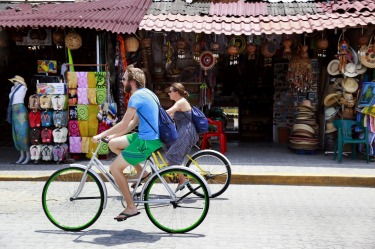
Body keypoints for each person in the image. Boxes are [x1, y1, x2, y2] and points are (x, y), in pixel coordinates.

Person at [92, 65, 163, 221]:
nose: (122, 82)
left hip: (146, 142)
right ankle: (142, 173)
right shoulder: (149, 94)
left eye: (123, 79)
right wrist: (114, 136)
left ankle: (131, 207)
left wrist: (101, 134)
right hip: (145, 137)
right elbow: (132, 124)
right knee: (113, 144)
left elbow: (124, 123)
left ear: (132, 82)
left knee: (114, 169)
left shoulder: (136, 97)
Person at [165, 83, 199, 191]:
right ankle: (179, 176)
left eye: (170, 91)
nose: (168, 93)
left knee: (171, 155)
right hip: (182, 131)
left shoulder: (181, 102)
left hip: (186, 132)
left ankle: (183, 179)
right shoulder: (179, 103)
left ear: (176, 93)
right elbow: (170, 116)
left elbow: (168, 112)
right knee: (167, 147)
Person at [7, 75, 31, 165]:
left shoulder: (23, 88)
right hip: (14, 111)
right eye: (14, 81)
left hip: (20, 111)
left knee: (23, 132)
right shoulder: (12, 88)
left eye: (15, 80)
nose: (14, 82)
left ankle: (28, 155)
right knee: (16, 133)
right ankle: (21, 155)